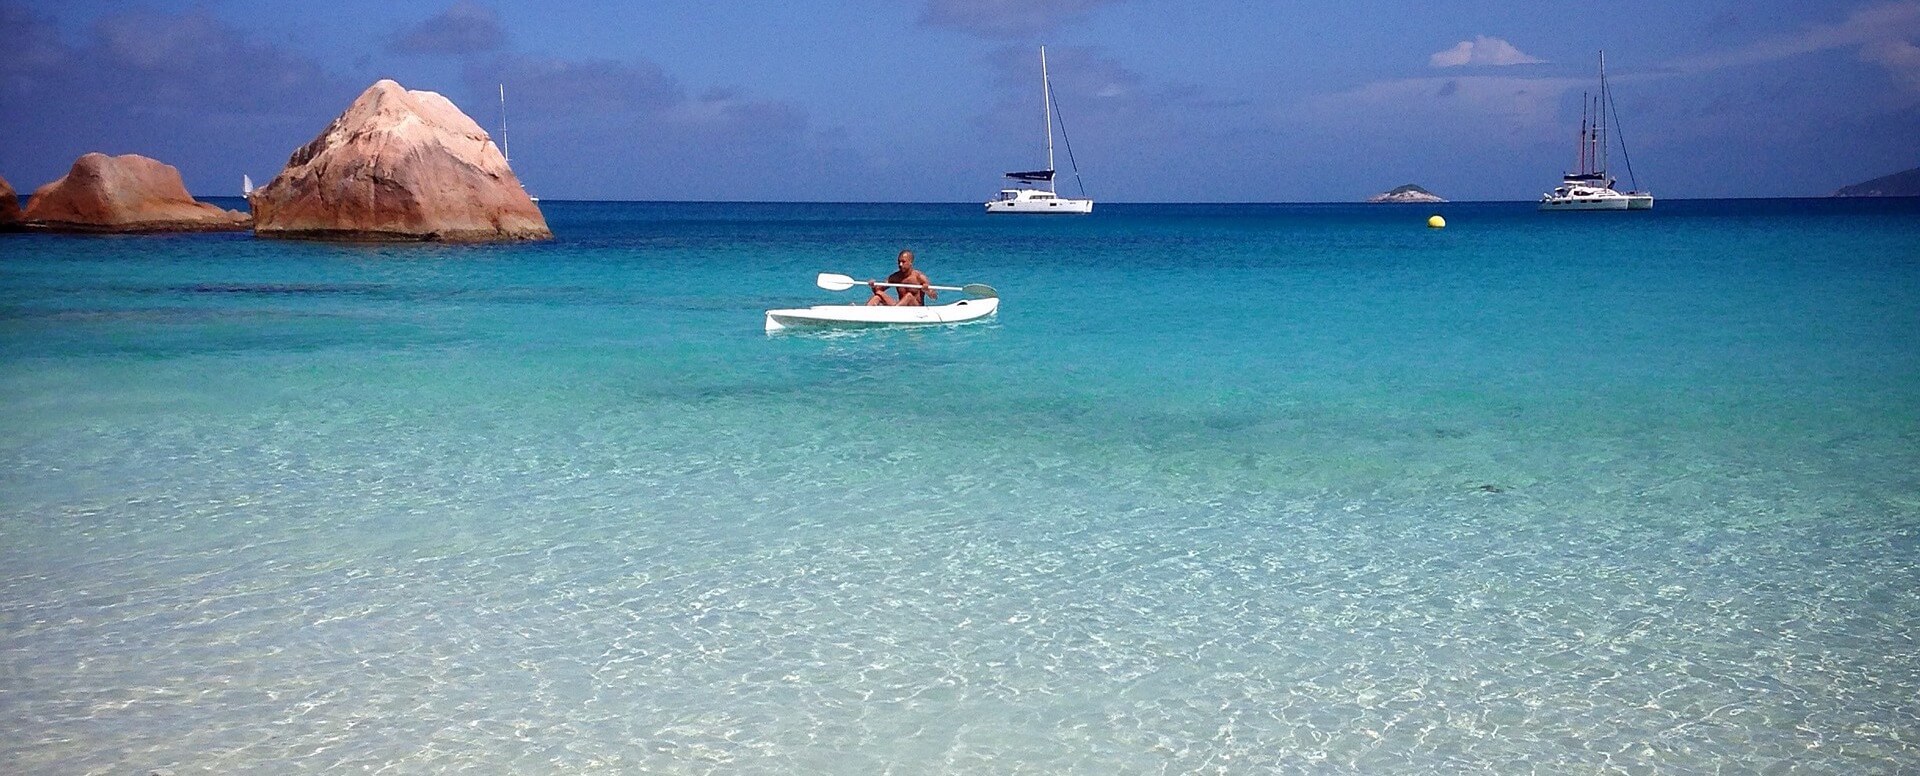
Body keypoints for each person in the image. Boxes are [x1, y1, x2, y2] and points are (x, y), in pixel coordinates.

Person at [867, 249, 936, 306]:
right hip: (901, 307)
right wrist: (873, 286)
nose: (900, 264)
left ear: (910, 262)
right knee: (878, 295)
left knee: (909, 296)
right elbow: (878, 290)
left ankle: (894, 313)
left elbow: (934, 297)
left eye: (903, 262)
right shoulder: (895, 277)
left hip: (916, 309)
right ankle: (863, 314)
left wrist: (927, 290)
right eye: (899, 262)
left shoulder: (919, 277)